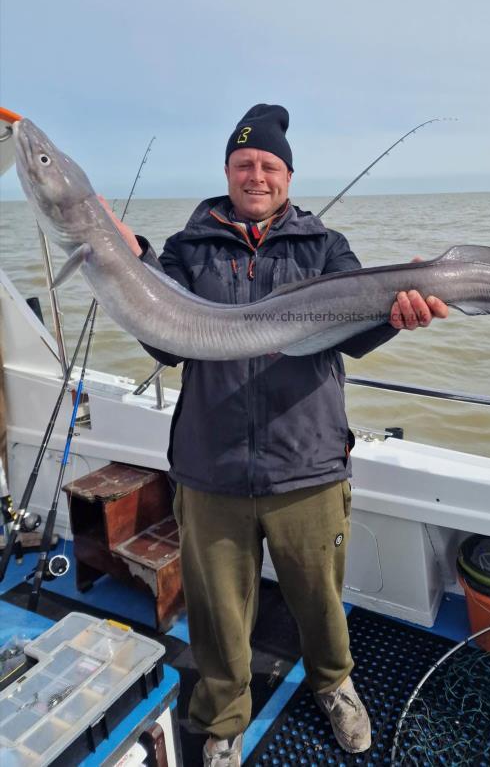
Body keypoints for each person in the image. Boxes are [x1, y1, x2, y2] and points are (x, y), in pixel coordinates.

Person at [108, 104, 448, 766]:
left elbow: (353, 334)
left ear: (287, 175)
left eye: (268, 165)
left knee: (319, 596)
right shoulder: (188, 248)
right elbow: (166, 345)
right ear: (227, 171)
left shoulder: (324, 248)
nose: (255, 175)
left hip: (307, 462)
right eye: (243, 164)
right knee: (216, 612)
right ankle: (223, 716)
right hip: (211, 466)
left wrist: (396, 315)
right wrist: (133, 263)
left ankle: (333, 684)